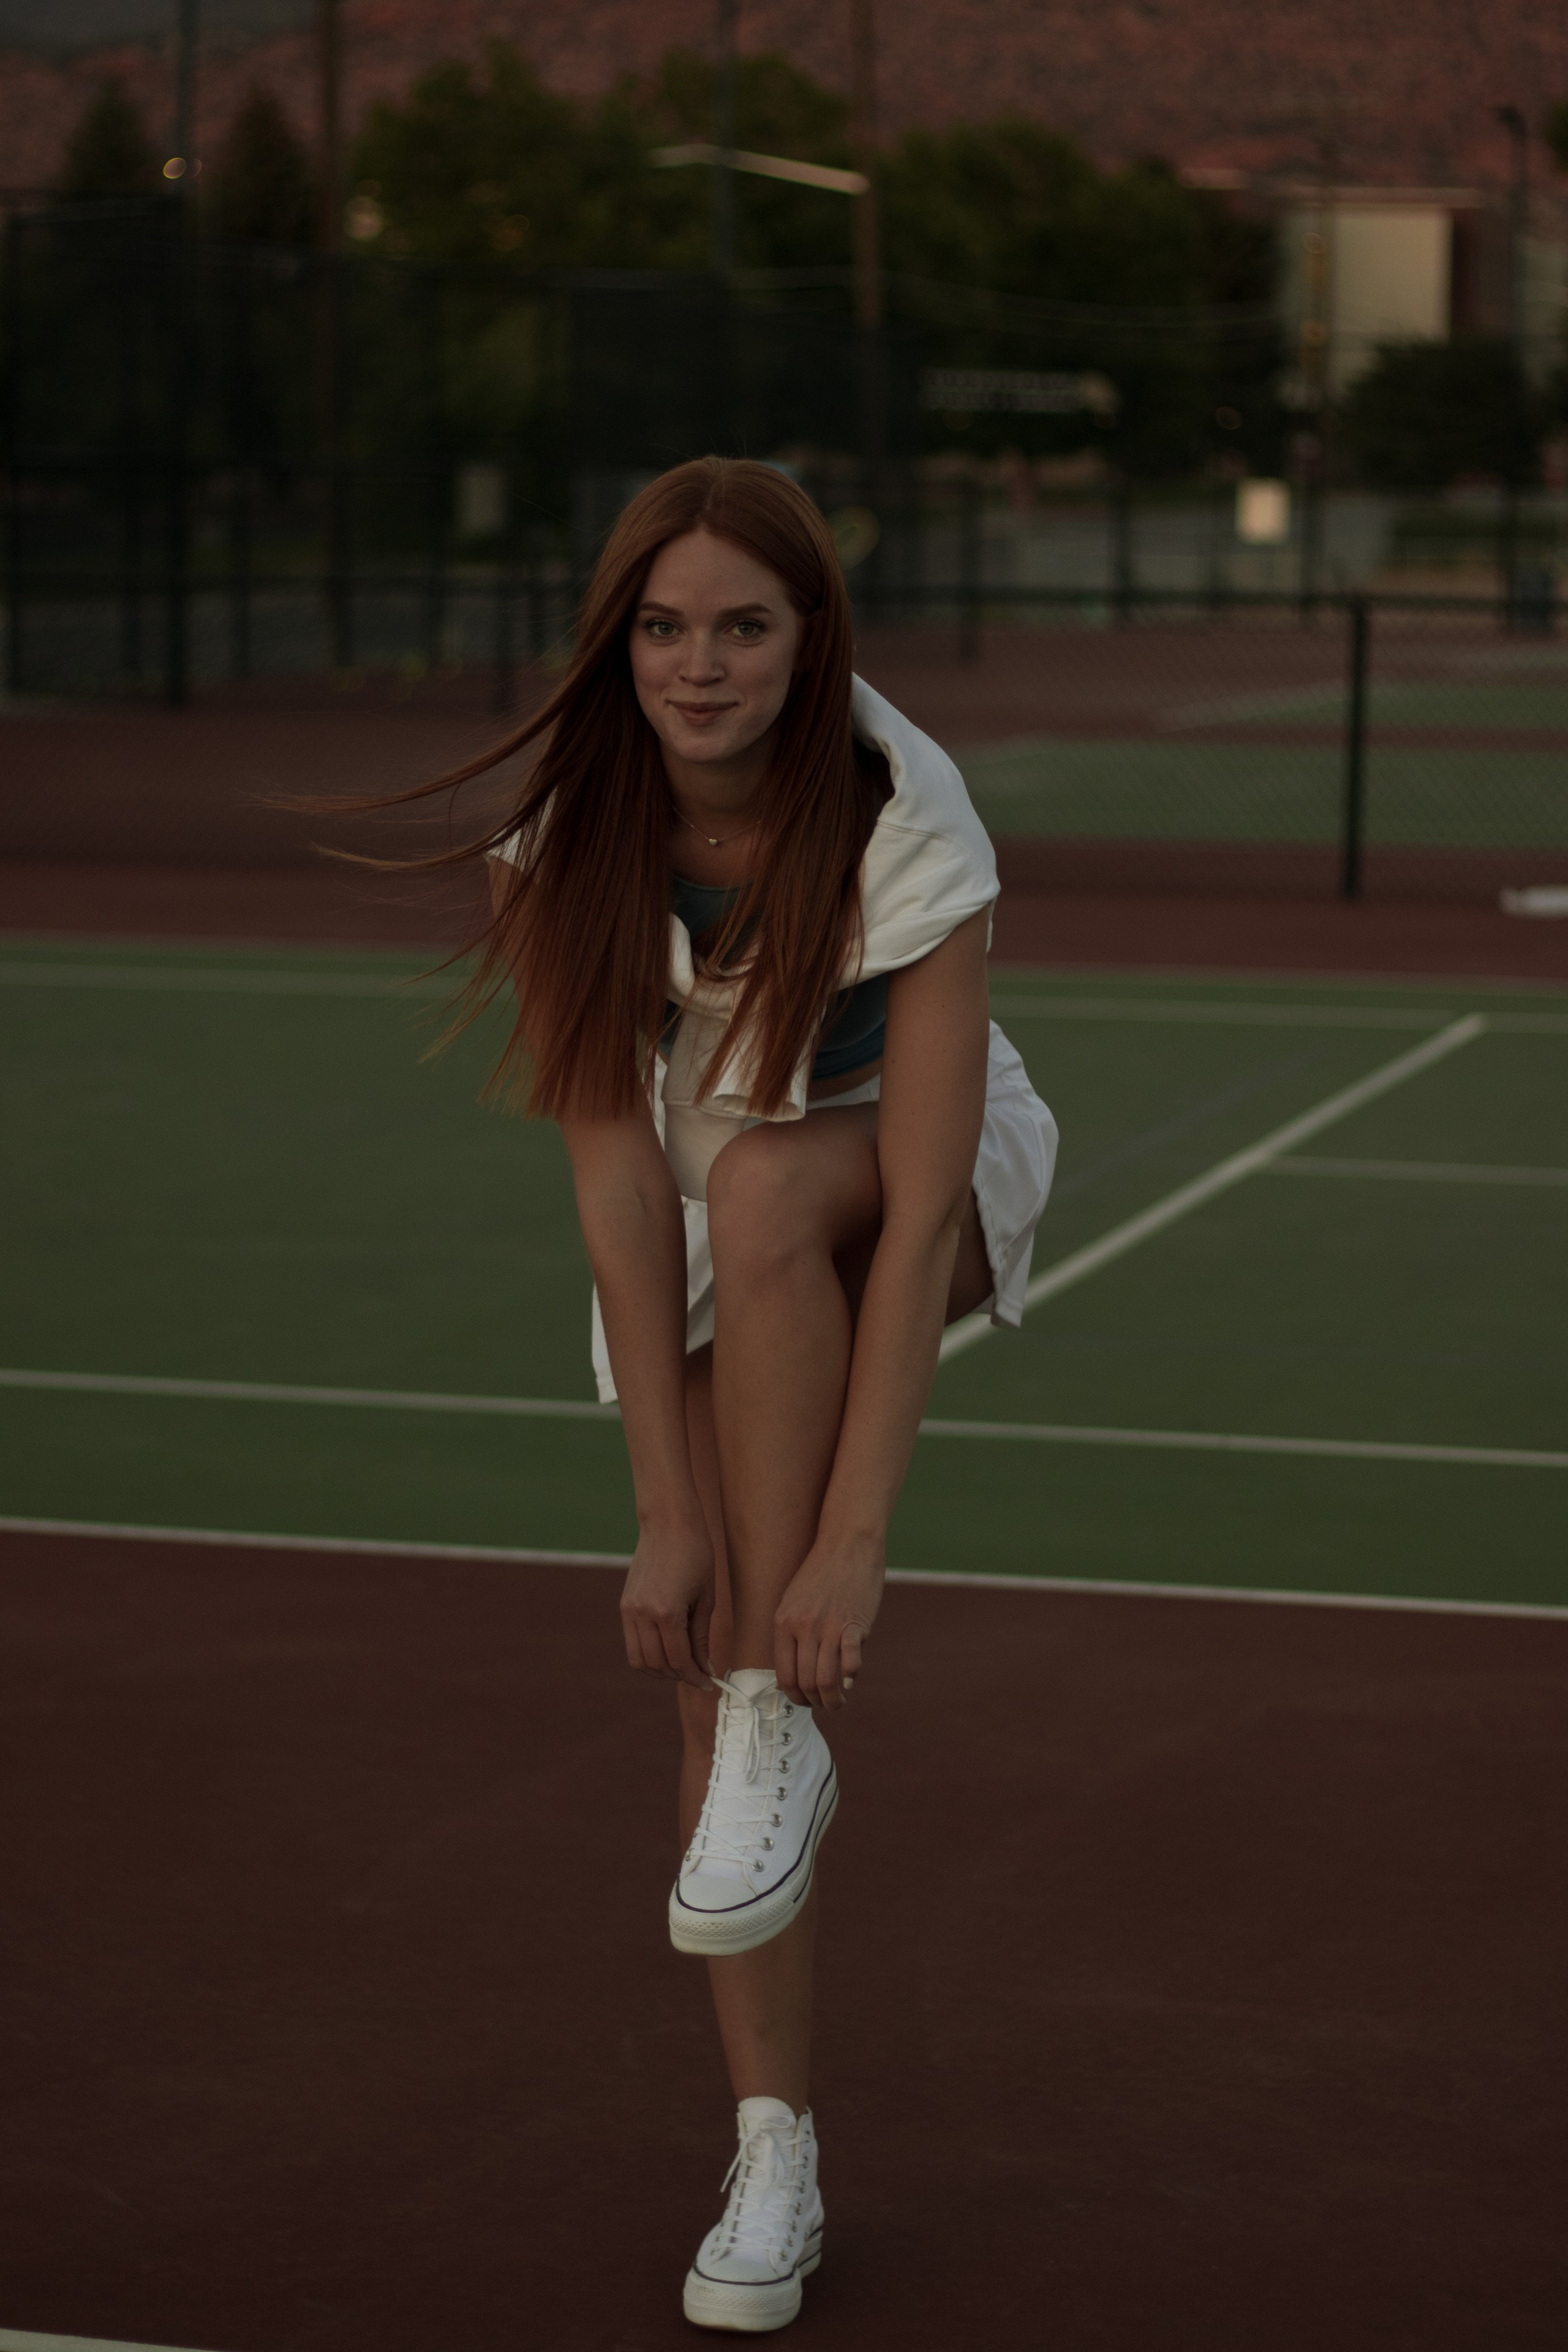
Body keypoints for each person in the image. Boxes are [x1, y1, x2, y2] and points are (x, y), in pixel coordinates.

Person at [432, 458, 1056, 2332]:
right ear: (618, 639)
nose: (698, 665)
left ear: (811, 639)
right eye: (663, 627)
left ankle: (784, 1709)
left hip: (917, 1158)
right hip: (715, 1187)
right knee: (710, 1664)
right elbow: (619, 1180)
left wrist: (855, 1547)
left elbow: (922, 1200)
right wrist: (665, 1518)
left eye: (744, 626)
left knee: (789, 1192)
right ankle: (773, 2149)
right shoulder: (562, 835)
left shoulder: (901, 805)